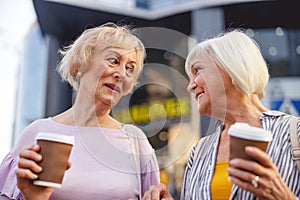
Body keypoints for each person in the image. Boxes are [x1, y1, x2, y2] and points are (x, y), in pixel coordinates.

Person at [0, 22, 160, 200]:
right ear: (80, 64)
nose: (122, 74)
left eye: (130, 69)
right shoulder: (38, 133)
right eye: (114, 61)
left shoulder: (136, 142)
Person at [142, 30, 300, 199]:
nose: (190, 86)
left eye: (198, 71)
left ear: (232, 67)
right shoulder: (199, 151)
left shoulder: (294, 133)